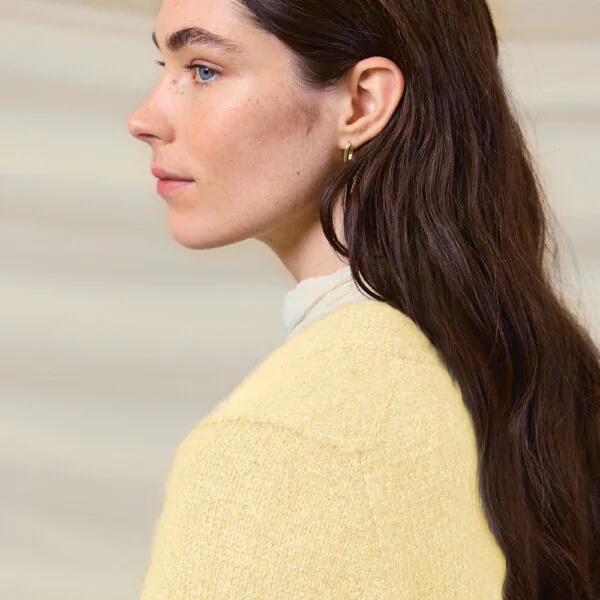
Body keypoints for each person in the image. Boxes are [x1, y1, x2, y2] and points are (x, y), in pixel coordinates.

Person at [127, 0, 600, 598]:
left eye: (204, 69)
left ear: (362, 103)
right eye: (165, 66)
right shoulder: (536, 387)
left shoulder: (281, 447)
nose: (144, 118)